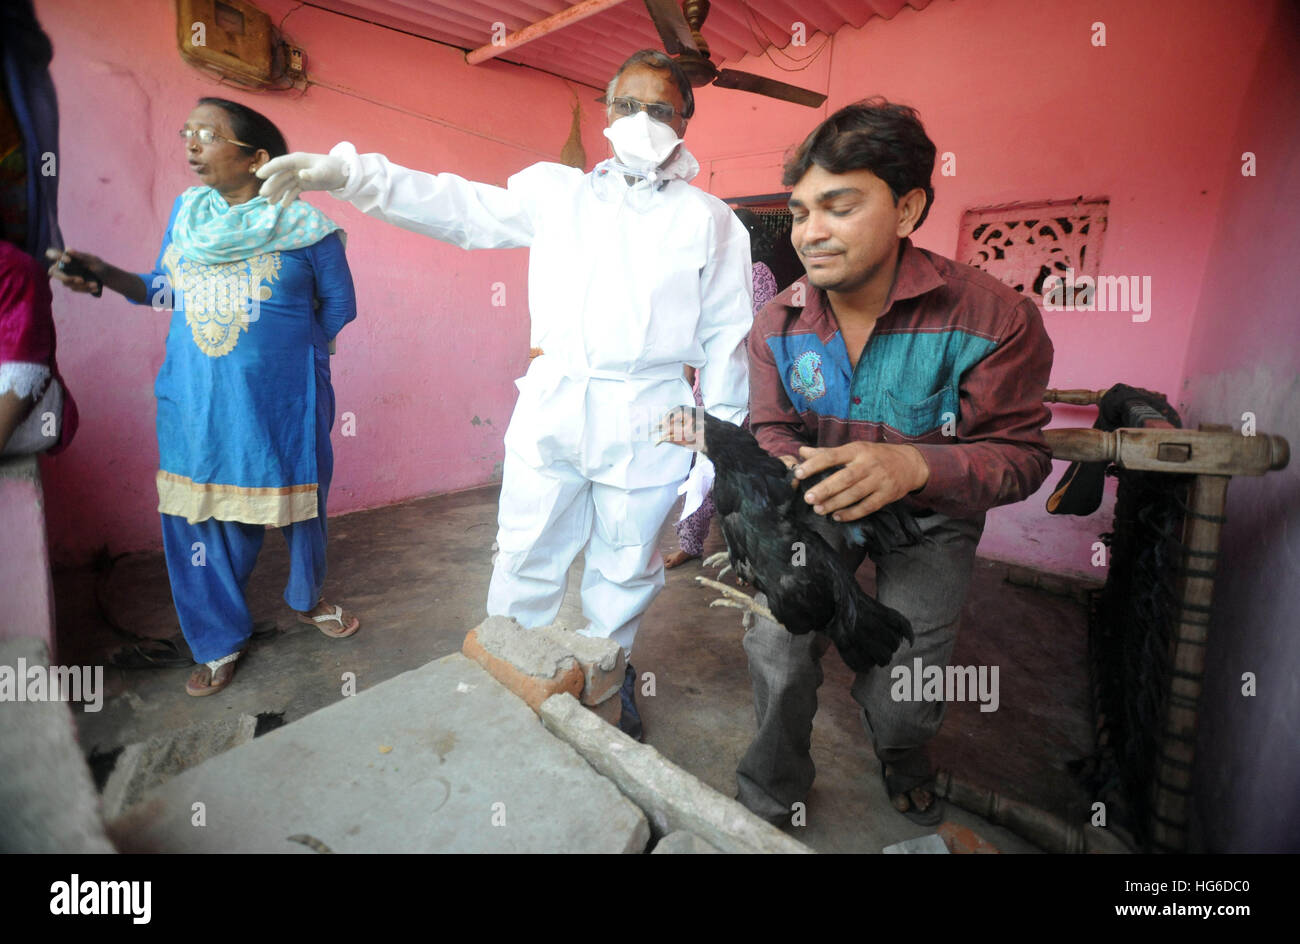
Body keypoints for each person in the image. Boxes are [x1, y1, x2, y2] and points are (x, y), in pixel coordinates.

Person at [257, 50, 753, 738]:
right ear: (606, 113)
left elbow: (730, 338)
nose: (641, 121)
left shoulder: (713, 222)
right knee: (525, 550)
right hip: (555, 397)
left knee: (626, 565)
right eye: (626, 105)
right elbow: (459, 208)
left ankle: (608, 675)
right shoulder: (558, 193)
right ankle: (512, 673)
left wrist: (717, 450)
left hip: (652, 410)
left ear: (686, 121)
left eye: (660, 108)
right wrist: (352, 174)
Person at [738, 99, 1054, 825]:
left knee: (905, 678)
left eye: (838, 207)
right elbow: (770, 429)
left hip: (931, 519)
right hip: (816, 507)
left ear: (908, 208)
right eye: (799, 210)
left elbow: (1023, 456)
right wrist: (792, 472)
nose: (809, 232)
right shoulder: (777, 320)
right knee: (777, 640)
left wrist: (916, 468)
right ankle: (768, 788)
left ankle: (904, 752)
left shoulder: (993, 316)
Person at [48, 98, 360, 696]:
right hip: (194, 396)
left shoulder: (309, 229)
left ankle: (306, 598)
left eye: (210, 135)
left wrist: (295, 356)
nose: (192, 143)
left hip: (284, 398)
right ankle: (217, 639)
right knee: (198, 510)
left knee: (301, 502)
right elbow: (165, 291)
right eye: (188, 131)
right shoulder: (188, 215)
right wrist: (110, 275)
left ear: (257, 157)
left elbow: (340, 306)